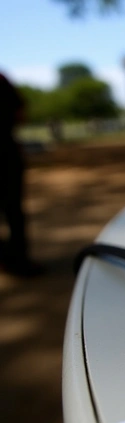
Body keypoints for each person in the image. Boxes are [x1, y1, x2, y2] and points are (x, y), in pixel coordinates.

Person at [0, 72, 43, 277]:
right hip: (6, 155)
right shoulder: (2, 81)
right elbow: (20, 114)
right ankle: (17, 260)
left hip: (7, 154)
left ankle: (11, 259)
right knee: (13, 212)